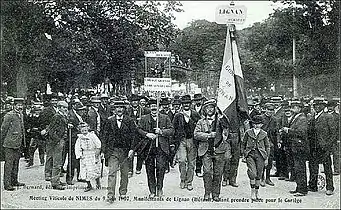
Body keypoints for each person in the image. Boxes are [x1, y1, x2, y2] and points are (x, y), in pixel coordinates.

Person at [193, 99, 230, 201]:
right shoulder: (201, 122)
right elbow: (196, 134)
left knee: (218, 173)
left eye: (212, 107)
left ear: (215, 109)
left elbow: (227, 126)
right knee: (207, 172)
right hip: (206, 151)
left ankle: (216, 194)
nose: (209, 110)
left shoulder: (220, 120)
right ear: (204, 110)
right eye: (207, 108)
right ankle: (207, 193)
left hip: (219, 150)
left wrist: (221, 115)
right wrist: (208, 135)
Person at [102, 100, 138, 203]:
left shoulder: (130, 121)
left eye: (121, 107)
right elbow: (104, 137)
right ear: (114, 110)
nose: (119, 109)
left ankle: (123, 192)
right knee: (112, 173)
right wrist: (103, 151)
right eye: (117, 107)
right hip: (113, 151)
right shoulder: (109, 121)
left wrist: (132, 149)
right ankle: (110, 195)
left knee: (125, 173)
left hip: (125, 151)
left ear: (124, 109)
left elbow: (134, 137)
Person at [137, 98, 174, 198]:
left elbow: (171, 130)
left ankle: (159, 188)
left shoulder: (165, 118)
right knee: (149, 169)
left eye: (155, 107)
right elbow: (138, 129)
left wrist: (161, 132)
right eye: (152, 107)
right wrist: (147, 134)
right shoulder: (144, 118)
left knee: (161, 168)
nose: (154, 109)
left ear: (159, 107)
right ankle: (152, 190)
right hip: (148, 148)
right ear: (149, 108)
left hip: (161, 148)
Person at [307, 99, 337, 196]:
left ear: (323, 106)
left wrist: (327, 145)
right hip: (313, 147)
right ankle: (313, 185)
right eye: (315, 105)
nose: (316, 107)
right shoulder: (312, 117)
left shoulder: (328, 117)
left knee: (327, 167)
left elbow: (333, 133)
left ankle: (330, 187)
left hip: (324, 147)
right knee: (313, 167)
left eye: (319, 105)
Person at [172, 95, 201, 191]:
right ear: (182, 104)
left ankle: (189, 182)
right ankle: (182, 179)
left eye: (188, 103)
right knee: (182, 161)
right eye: (184, 103)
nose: (186, 105)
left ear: (190, 103)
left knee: (191, 163)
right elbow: (173, 129)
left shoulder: (195, 114)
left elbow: (201, 125)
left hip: (192, 140)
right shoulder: (178, 115)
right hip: (182, 141)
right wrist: (173, 142)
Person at [281, 100, 309, 197]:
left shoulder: (302, 118)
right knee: (297, 168)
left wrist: (288, 130)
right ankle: (299, 187)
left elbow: (301, 132)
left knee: (300, 168)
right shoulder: (297, 117)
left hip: (299, 146)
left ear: (299, 108)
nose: (292, 108)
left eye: (294, 107)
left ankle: (302, 189)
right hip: (295, 146)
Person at [242, 115, 270, 200]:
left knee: (259, 174)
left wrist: (266, 158)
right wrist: (244, 154)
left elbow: (267, 146)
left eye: (258, 124)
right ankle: (252, 192)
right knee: (252, 173)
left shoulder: (264, 134)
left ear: (262, 124)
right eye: (254, 123)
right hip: (250, 154)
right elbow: (243, 143)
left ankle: (257, 192)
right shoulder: (248, 132)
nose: (256, 125)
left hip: (261, 155)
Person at [1, 98, 26, 191]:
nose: (20, 107)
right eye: (18, 105)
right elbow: (3, 130)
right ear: (14, 106)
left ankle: (14, 181)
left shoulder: (21, 115)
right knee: (9, 164)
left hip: (18, 143)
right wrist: (3, 142)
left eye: (21, 105)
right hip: (9, 144)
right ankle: (7, 184)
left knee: (16, 163)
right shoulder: (9, 115)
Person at [44, 100, 69, 190]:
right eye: (64, 107)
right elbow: (51, 131)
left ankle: (56, 180)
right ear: (59, 107)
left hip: (60, 140)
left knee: (58, 161)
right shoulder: (57, 116)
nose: (66, 109)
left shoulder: (62, 116)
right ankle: (55, 183)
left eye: (66, 107)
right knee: (57, 162)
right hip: (57, 141)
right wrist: (58, 140)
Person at [75, 122, 102, 192]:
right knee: (85, 170)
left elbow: (98, 144)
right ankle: (88, 185)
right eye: (82, 131)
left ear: (88, 129)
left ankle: (97, 181)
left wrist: (97, 153)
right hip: (85, 155)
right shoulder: (80, 138)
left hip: (92, 154)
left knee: (94, 169)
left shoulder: (92, 136)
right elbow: (77, 147)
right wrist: (79, 154)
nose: (84, 132)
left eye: (85, 130)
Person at [260, 103, 279, 187]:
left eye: (272, 110)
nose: (270, 111)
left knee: (270, 160)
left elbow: (277, 131)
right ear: (265, 109)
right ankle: (261, 178)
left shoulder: (274, 119)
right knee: (261, 160)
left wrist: (278, 141)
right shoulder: (261, 118)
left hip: (270, 142)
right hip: (261, 141)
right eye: (269, 109)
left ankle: (268, 178)